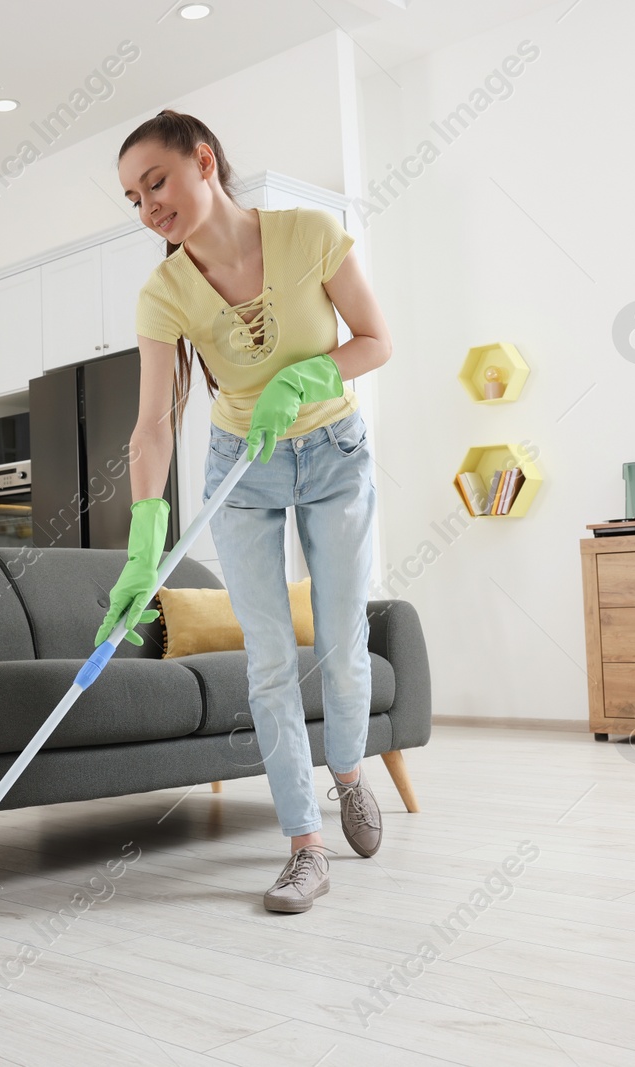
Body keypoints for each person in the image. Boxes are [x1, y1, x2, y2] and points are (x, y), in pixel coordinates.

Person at [100, 110, 393, 914]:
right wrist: (143, 543)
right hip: (243, 467)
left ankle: (350, 773)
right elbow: (154, 423)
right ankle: (304, 844)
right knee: (268, 660)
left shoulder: (307, 234)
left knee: (340, 640)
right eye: (132, 197)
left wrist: (305, 379)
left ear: (204, 163)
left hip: (332, 451)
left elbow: (375, 340)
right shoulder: (163, 292)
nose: (147, 207)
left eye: (155, 182)